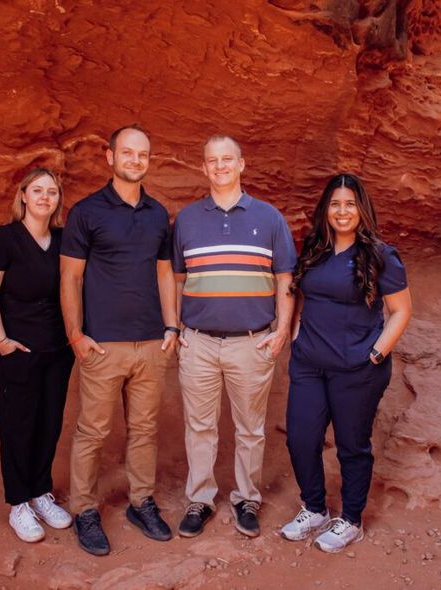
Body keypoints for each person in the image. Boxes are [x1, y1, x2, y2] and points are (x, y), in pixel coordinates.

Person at [60, 124, 179, 556]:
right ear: (109, 157)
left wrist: (172, 327)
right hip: (102, 343)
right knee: (92, 430)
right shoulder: (87, 212)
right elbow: (70, 276)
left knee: (145, 429)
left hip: (150, 342)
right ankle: (85, 510)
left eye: (142, 154)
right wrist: (76, 335)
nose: (135, 160)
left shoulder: (156, 213)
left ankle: (141, 501)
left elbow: (165, 273)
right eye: (126, 153)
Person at [279, 172, 412, 553]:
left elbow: (401, 311)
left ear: (361, 209)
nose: (342, 211)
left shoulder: (380, 255)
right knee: (302, 439)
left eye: (349, 204)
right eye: (335, 204)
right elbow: (305, 296)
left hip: (357, 368)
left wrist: (376, 354)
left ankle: (351, 519)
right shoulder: (314, 249)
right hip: (309, 364)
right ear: (326, 210)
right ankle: (315, 508)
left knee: (352, 445)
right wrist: (296, 335)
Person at [172, 135, 296, 538]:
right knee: (200, 426)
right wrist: (175, 327)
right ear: (204, 168)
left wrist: (280, 332)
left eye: (227, 159)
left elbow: (285, 279)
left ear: (242, 164)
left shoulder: (270, 218)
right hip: (199, 341)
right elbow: (176, 278)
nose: (220, 166)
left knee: (249, 428)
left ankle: (246, 499)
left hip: (252, 340)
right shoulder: (187, 220)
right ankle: (200, 500)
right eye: (212, 160)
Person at [0, 168, 74, 543]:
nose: (45, 197)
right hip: (15, 348)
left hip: (56, 348)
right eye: (38, 191)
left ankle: (40, 492)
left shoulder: (63, 240)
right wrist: (2, 342)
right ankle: (19, 503)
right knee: (17, 424)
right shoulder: (3, 239)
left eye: (52, 192)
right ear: (23, 196)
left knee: (49, 422)